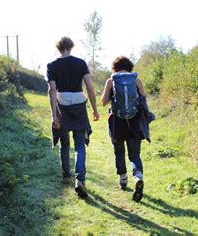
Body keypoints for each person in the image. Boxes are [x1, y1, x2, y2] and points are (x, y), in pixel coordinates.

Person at [47, 36, 99, 198]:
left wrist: (54, 114)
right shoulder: (80, 63)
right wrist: (95, 109)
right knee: (80, 145)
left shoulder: (52, 65)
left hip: (62, 104)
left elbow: (52, 90)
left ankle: (66, 175)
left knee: (64, 143)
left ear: (58, 48)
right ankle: (80, 180)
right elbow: (90, 87)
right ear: (71, 47)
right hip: (79, 105)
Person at [101, 56, 154, 202]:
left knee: (119, 152)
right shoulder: (136, 80)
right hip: (134, 121)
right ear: (129, 66)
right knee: (134, 154)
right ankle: (138, 177)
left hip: (117, 122)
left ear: (115, 67)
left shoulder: (111, 81)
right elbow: (143, 100)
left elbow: (104, 102)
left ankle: (123, 180)